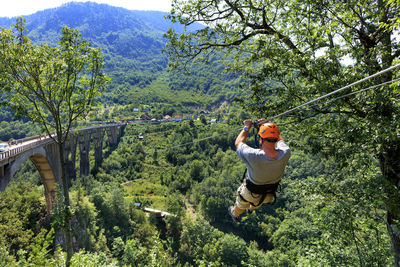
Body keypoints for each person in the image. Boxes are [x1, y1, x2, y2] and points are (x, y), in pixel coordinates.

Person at [228, 119, 291, 222]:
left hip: (250, 193)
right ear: (276, 139)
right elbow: (280, 141)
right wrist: (266, 127)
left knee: (239, 205)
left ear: (260, 140)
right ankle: (251, 209)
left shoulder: (253, 155)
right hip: (269, 194)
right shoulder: (285, 153)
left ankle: (235, 214)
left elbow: (238, 143)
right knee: (257, 202)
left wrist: (246, 127)